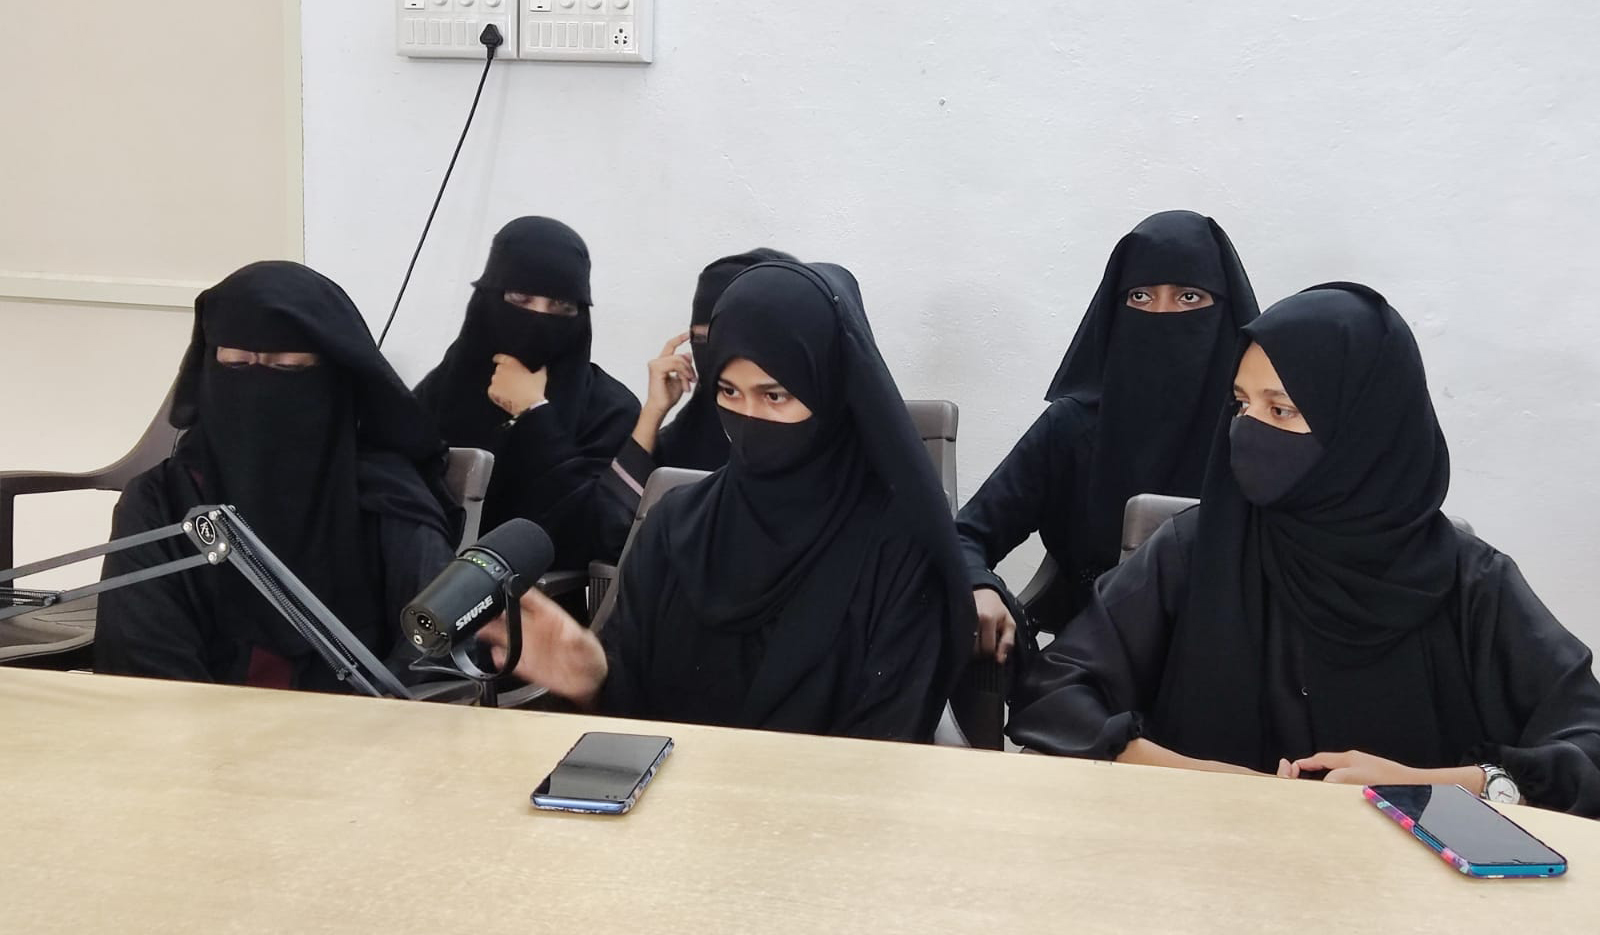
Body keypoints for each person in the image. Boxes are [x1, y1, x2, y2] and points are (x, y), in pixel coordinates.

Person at [1007, 283, 1600, 818]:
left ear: (1364, 427)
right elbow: (1054, 690)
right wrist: (1194, 775)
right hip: (1205, 862)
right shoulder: (1197, 548)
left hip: (1412, 898)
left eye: (1281, 410)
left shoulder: (1470, 582)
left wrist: (1433, 785)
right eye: (1241, 405)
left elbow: (1588, 743)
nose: (1248, 430)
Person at [478, 258, 977, 741]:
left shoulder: (898, 547)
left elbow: (886, 745)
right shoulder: (676, 526)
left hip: (821, 817)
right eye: (729, 392)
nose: (748, 417)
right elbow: (630, 719)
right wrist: (590, 679)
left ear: (832, 392)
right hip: (665, 812)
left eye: (774, 395)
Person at [95, 262, 460, 691]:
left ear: (334, 378)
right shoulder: (160, 500)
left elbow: (433, 642)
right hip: (194, 739)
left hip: (356, 737)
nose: (258, 391)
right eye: (235, 365)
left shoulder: (385, 496)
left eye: (286, 369)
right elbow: (143, 661)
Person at [956, 210, 1258, 662]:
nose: (1162, 314)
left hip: (1229, 665)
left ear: (1226, 311)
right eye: (1140, 296)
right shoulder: (1073, 426)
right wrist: (981, 587)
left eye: (1189, 297)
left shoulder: (1258, 430)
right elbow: (966, 536)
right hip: (1091, 670)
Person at [414, 217, 639, 570]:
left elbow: (593, 537)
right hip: (423, 599)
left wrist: (535, 414)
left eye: (562, 308)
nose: (538, 319)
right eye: (520, 299)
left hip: (537, 615)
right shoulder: (437, 393)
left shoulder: (611, 409)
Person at [594, 248, 796, 559]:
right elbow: (609, 536)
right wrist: (654, 411)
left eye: (727, 337)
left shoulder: (806, 435)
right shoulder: (689, 434)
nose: (714, 355)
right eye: (701, 340)